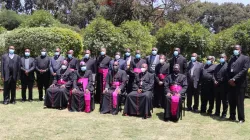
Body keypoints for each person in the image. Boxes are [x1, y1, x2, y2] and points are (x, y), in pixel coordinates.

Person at [227, 45, 249, 123]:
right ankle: (232, 116)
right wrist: (230, 80)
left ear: (240, 50)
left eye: (236, 49)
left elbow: (244, 70)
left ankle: (241, 119)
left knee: (239, 101)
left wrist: (234, 79)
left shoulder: (245, 58)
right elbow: (228, 70)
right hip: (231, 84)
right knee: (231, 100)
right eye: (234, 49)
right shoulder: (231, 59)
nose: (235, 50)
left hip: (240, 84)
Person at [213, 53, 228, 118]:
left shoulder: (227, 66)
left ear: (225, 58)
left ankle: (224, 114)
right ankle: (217, 112)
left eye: (222, 57)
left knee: (224, 101)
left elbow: (226, 76)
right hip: (217, 86)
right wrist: (214, 80)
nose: (221, 59)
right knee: (217, 100)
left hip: (224, 86)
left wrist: (219, 81)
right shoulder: (217, 66)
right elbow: (213, 74)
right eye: (220, 57)